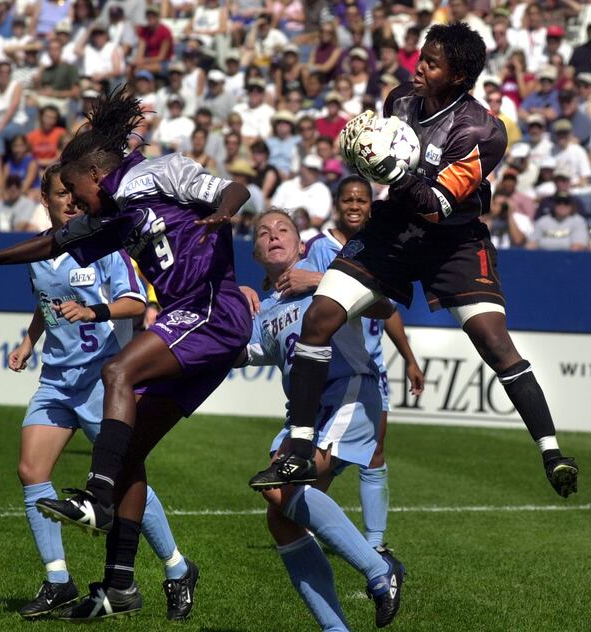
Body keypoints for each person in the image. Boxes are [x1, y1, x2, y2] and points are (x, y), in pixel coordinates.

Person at [249, 22, 579, 499]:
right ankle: (300, 449)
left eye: (432, 62)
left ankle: (551, 452)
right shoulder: (399, 101)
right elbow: (396, 181)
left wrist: (392, 171)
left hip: (454, 239)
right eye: (421, 57)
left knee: (493, 341)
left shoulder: (484, 132)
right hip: (394, 228)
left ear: (460, 76)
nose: (419, 67)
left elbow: (437, 204)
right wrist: (366, 159)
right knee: (321, 316)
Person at [0, 87, 252, 620]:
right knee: (130, 452)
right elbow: (52, 243)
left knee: (118, 369)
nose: (75, 201)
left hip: (209, 310)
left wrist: (223, 214)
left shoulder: (159, 173)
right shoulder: (113, 216)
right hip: (191, 327)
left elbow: (236, 187)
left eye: (75, 190)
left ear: (92, 174)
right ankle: (121, 585)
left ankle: (98, 495)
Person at [9, 164, 195, 621]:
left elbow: (136, 301)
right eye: (60, 195)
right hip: (56, 382)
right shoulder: (39, 252)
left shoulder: (102, 247)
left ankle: (177, 567)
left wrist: (93, 311)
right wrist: (30, 340)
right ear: (45, 199)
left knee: (128, 477)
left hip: (100, 383)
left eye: (74, 195)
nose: (70, 202)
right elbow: (46, 304)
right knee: (31, 470)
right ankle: (58, 581)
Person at [242, 209, 406, 630]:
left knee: (285, 486)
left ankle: (378, 569)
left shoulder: (324, 263)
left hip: (348, 392)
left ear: (300, 244)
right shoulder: (264, 313)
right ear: (257, 252)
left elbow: (383, 302)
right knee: (280, 513)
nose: (273, 235)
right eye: (264, 233)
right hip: (305, 414)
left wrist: (317, 281)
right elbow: (236, 353)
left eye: (283, 230)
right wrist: (230, 303)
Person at [277, 176, 424, 548]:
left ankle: (375, 542)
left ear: (370, 206)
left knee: (375, 450)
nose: (354, 206)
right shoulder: (320, 248)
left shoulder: (377, 247)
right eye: (348, 200)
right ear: (337, 205)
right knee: (321, 454)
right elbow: (297, 286)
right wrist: (316, 279)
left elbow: (386, 308)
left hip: (372, 366)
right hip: (333, 367)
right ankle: (304, 519)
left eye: (361, 200)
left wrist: (408, 357)